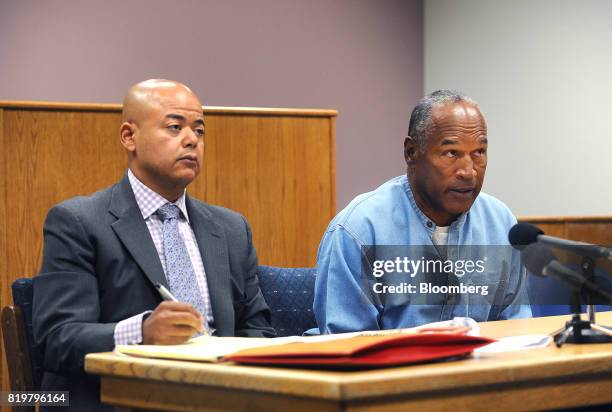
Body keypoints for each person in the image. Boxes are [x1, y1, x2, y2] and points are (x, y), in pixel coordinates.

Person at [33, 79, 275, 410]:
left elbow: (258, 329)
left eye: (199, 131)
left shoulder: (231, 229)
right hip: (122, 400)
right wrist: (142, 331)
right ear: (129, 137)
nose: (191, 140)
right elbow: (56, 340)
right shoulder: (79, 222)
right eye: (175, 127)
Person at [314, 90, 531, 334]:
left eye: (479, 152)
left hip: (479, 369)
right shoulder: (357, 231)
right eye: (452, 153)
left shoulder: (501, 224)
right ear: (411, 153)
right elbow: (347, 345)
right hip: (390, 371)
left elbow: (515, 331)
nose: (468, 171)